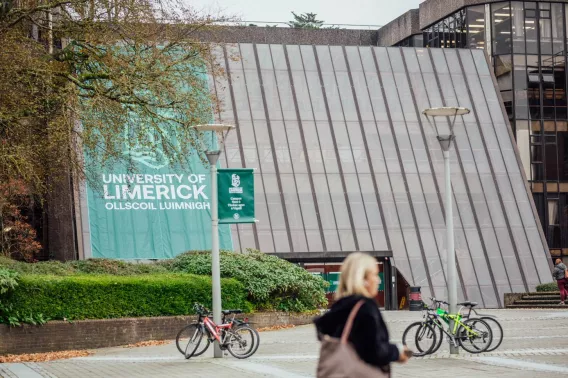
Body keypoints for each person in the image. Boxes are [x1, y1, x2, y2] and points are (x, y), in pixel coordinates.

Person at [314, 253, 408, 375]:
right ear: (363, 280)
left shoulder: (341, 306)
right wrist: (397, 352)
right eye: (374, 275)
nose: (378, 280)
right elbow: (372, 351)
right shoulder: (364, 308)